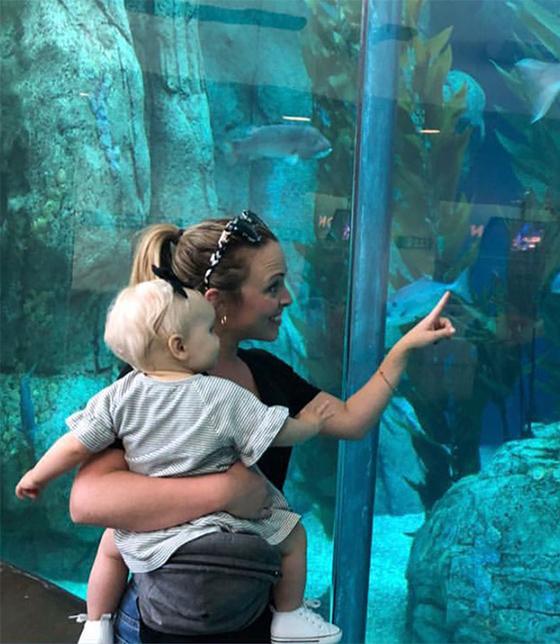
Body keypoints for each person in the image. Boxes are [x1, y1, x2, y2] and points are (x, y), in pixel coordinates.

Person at [69, 210, 455, 643]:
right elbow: (86, 501)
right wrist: (225, 492)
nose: (287, 298)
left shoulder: (267, 373)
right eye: (273, 287)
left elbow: (350, 420)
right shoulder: (150, 384)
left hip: (249, 614)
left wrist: (403, 349)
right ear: (217, 302)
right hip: (156, 620)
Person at [15, 273, 342, 644]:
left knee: (110, 547)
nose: (216, 338)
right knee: (295, 536)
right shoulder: (220, 394)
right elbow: (278, 432)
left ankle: (97, 625)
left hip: (150, 529)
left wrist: (37, 476)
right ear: (180, 346)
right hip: (223, 521)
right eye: (209, 331)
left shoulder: (120, 396)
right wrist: (310, 425)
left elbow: (75, 445)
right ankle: (288, 616)